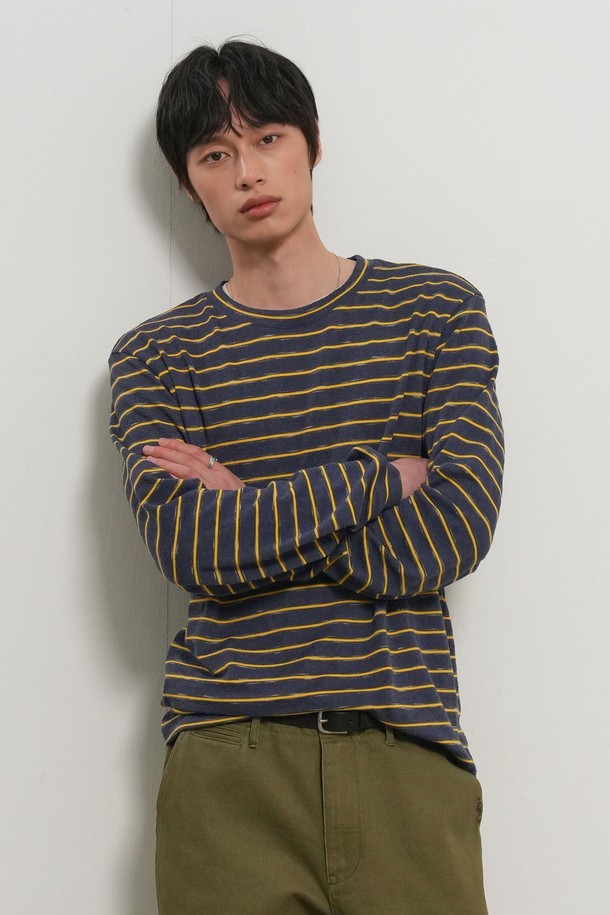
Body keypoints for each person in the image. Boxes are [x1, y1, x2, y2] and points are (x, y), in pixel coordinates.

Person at [109, 39, 503, 915]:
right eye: (216, 154)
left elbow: (456, 529)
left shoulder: (437, 313)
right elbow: (191, 548)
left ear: (312, 144)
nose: (248, 171)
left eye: (268, 138)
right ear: (187, 184)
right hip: (228, 763)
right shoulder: (155, 357)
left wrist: (251, 505)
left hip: (405, 750)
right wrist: (380, 479)